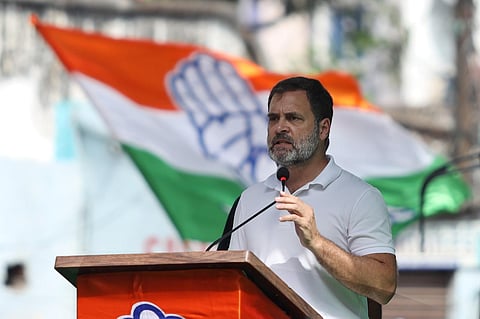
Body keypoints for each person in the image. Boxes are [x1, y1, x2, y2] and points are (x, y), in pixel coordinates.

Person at [218, 76, 397, 319]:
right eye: (273, 118)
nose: (280, 127)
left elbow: (384, 287)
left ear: (323, 129)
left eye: (293, 118)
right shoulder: (250, 199)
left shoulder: (361, 197)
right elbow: (230, 285)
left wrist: (316, 242)